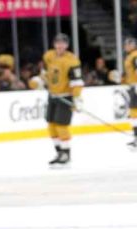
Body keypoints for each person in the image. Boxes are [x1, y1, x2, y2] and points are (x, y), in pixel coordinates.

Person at [42, 33, 84, 168]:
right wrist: (41, 81)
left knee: (61, 125)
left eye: (62, 43)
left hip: (65, 96)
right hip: (52, 96)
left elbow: (76, 81)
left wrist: (77, 97)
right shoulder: (49, 56)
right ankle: (59, 153)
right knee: (51, 125)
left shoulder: (72, 60)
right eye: (57, 43)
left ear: (67, 45)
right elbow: (45, 72)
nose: (60, 45)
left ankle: (66, 154)